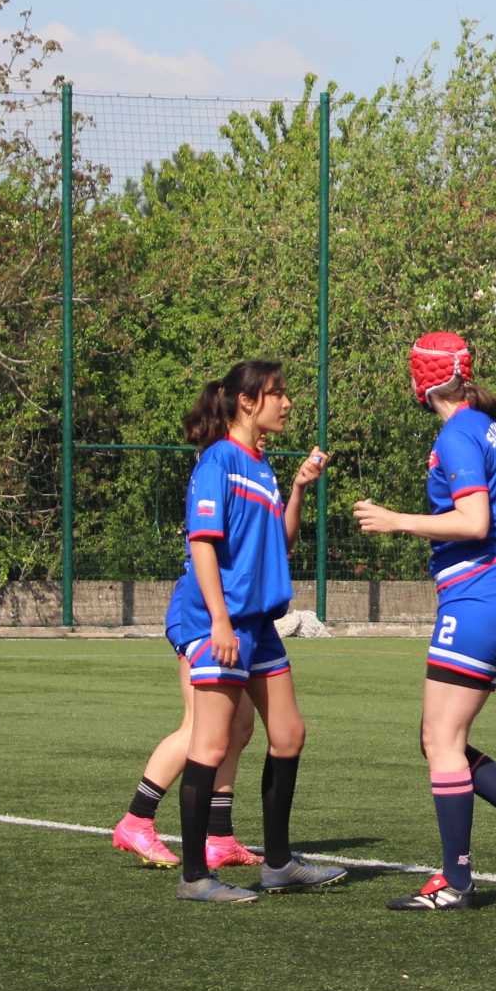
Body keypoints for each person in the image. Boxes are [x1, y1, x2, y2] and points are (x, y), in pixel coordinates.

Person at [354, 333, 496, 912]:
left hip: (479, 594)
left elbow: (475, 521)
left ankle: (456, 881)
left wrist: (397, 520)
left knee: (440, 741)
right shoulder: (488, 426)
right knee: (438, 740)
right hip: (495, 590)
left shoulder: (456, 433)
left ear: (421, 381)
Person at [163, 359, 345, 903]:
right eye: (276, 393)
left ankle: (279, 864)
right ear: (247, 401)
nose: (287, 403)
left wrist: (299, 489)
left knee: (289, 734)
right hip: (220, 620)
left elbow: (278, 543)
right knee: (211, 742)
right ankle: (194, 876)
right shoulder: (219, 460)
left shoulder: (261, 465)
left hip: (259, 623)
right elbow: (202, 542)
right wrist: (219, 620)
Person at [110, 660, 264, 871]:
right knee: (200, 726)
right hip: (208, 640)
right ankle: (137, 819)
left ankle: (221, 839)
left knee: (238, 727)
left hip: (239, 641)